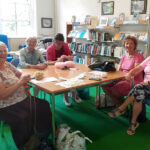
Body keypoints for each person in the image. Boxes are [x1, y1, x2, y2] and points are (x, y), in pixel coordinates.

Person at [0, 42, 52, 149]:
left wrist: (28, 76)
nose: (3, 53)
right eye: (0, 51)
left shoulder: (8, 65)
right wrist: (19, 83)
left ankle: (41, 136)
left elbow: (20, 74)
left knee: (43, 105)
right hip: (7, 105)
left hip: (22, 98)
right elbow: (3, 95)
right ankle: (26, 146)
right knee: (23, 117)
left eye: (4, 50)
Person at [108, 55, 150, 135]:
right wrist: (130, 73)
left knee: (138, 88)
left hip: (146, 85)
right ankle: (133, 122)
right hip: (144, 88)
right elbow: (138, 68)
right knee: (139, 92)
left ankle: (121, 109)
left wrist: (148, 83)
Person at [102, 36, 144, 106]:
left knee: (116, 88)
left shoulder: (138, 56)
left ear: (135, 45)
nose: (129, 45)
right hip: (122, 78)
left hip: (133, 80)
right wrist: (116, 77)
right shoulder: (124, 56)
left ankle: (121, 105)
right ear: (124, 45)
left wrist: (122, 78)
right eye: (127, 43)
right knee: (104, 85)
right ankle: (119, 103)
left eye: (131, 43)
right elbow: (119, 70)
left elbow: (135, 72)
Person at [46, 33, 82, 106]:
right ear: (54, 42)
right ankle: (65, 96)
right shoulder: (50, 49)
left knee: (73, 75)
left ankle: (73, 93)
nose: (60, 45)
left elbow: (71, 58)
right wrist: (57, 61)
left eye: (61, 43)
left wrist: (65, 56)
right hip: (54, 68)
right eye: (58, 43)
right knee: (65, 78)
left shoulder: (65, 45)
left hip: (66, 66)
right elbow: (48, 62)